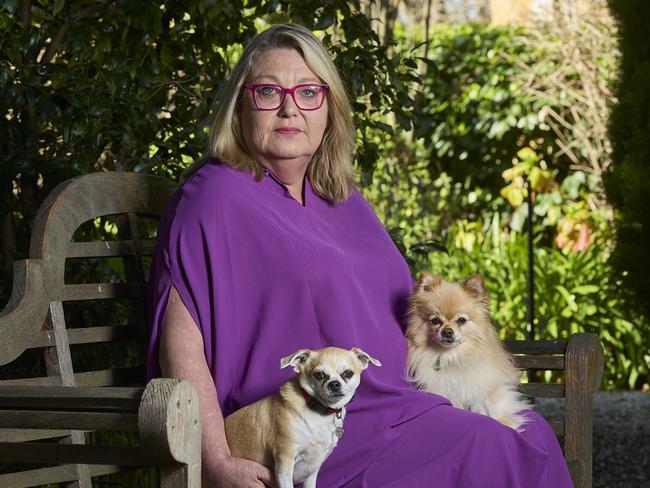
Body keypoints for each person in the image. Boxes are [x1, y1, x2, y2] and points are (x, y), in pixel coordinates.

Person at [146, 23, 573, 487]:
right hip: (310, 428)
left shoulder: (342, 197)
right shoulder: (213, 196)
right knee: (491, 449)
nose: (290, 107)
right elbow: (181, 346)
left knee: (532, 437)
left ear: (329, 108)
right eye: (268, 91)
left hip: (400, 407)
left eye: (309, 92)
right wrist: (215, 462)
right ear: (240, 105)